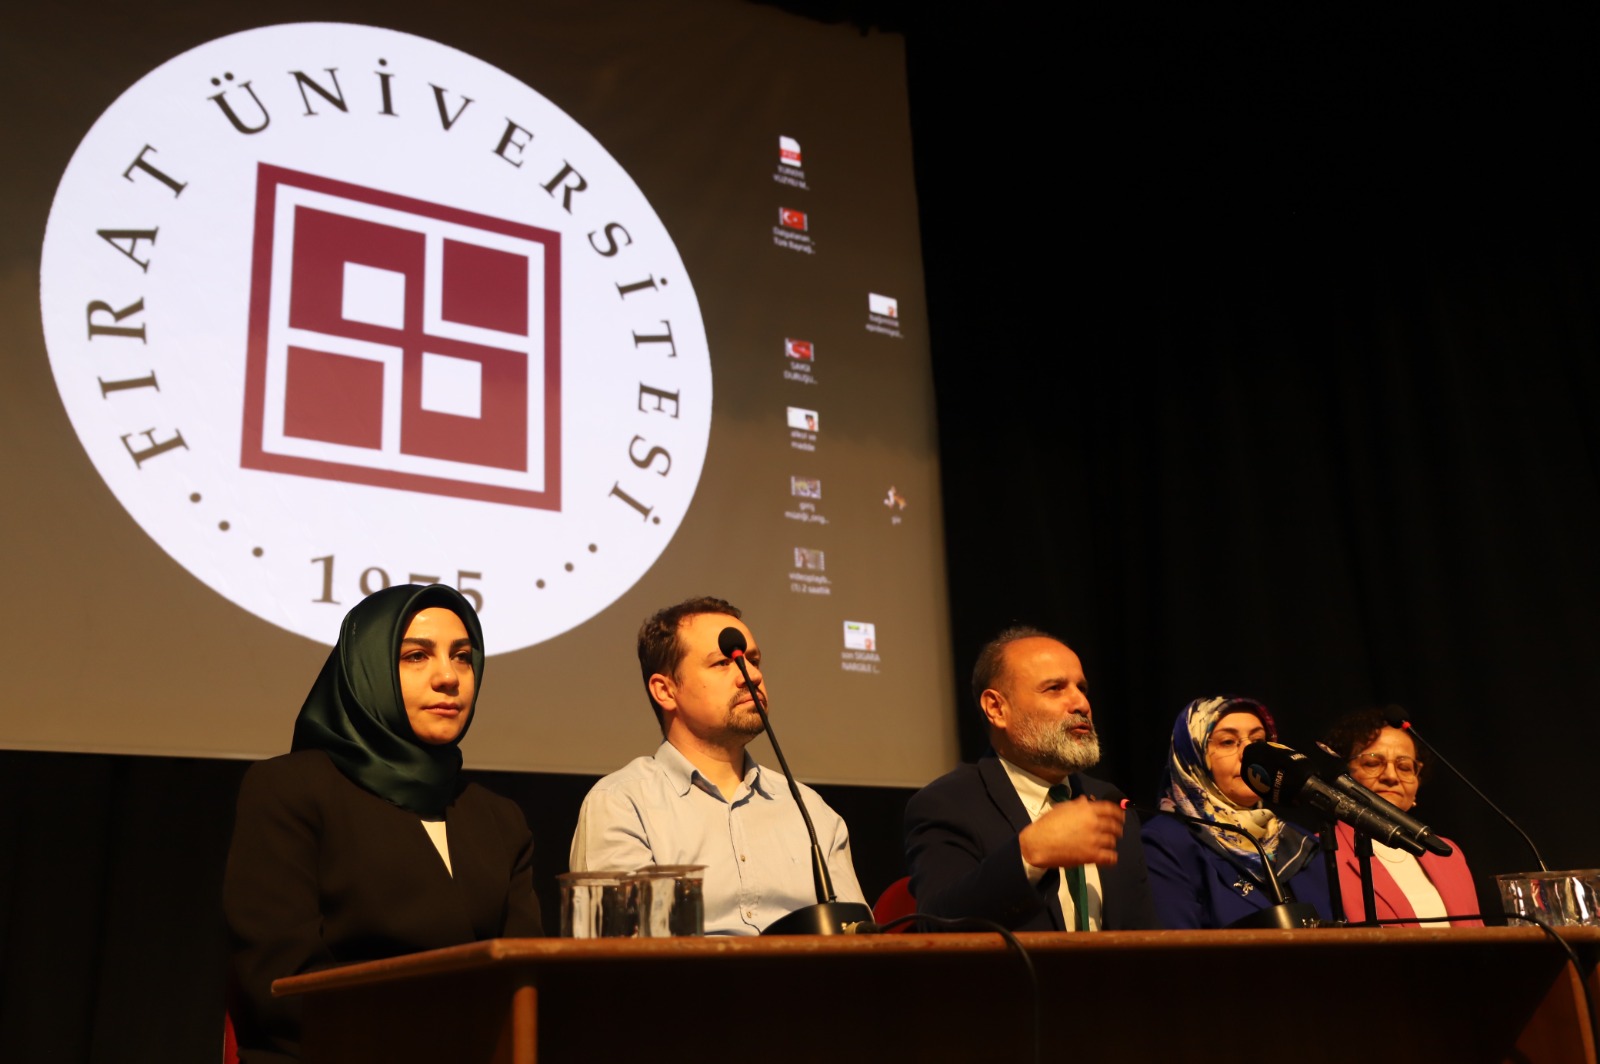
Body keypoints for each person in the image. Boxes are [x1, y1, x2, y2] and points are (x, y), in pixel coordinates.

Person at [224, 584, 542, 1064]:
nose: (448, 677)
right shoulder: (291, 789)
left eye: (462, 657)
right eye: (416, 656)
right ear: (366, 669)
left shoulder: (498, 817)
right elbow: (280, 984)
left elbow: (523, 981)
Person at [568, 596, 866, 935]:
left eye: (753, 661)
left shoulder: (810, 811)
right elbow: (620, 950)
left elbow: (859, 939)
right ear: (665, 691)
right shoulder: (622, 804)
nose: (751, 675)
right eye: (724, 663)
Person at [903, 627, 1156, 931]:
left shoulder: (1108, 802)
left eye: (1082, 688)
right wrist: (1029, 855)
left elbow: (1144, 936)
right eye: (1055, 688)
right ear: (997, 708)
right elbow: (936, 926)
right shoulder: (949, 803)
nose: (1081, 704)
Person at [1141, 695, 1332, 928]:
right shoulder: (1165, 842)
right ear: (1193, 756)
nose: (1248, 754)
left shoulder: (1300, 843)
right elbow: (1177, 945)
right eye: (1228, 742)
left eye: (1258, 741)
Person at [1321, 707, 1481, 927]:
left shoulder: (1447, 853)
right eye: (1373, 763)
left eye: (1404, 767)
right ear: (1342, 773)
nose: (1391, 776)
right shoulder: (1321, 853)